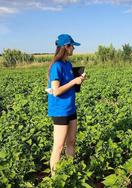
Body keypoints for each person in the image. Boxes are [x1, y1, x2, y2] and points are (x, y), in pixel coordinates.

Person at [47, 34, 85, 176]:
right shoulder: (57, 66)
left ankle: (70, 171)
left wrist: (79, 81)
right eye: (72, 45)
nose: (74, 48)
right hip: (60, 110)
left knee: (72, 142)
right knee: (58, 146)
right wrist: (73, 82)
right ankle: (55, 178)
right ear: (66, 47)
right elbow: (56, 91)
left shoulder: (68, 65)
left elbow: (70, 87)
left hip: (70, 108)